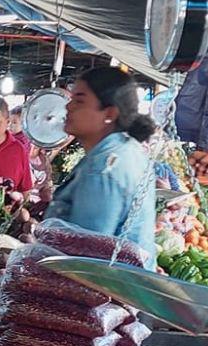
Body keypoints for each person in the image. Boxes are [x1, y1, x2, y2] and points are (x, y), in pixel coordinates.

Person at [46, 68, 157, 266]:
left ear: (109, 113)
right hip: (132, 286)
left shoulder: (103, 170)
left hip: (110, 289)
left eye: (79, 101)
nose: (68, 107)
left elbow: (87, 259)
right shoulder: (127, 148)